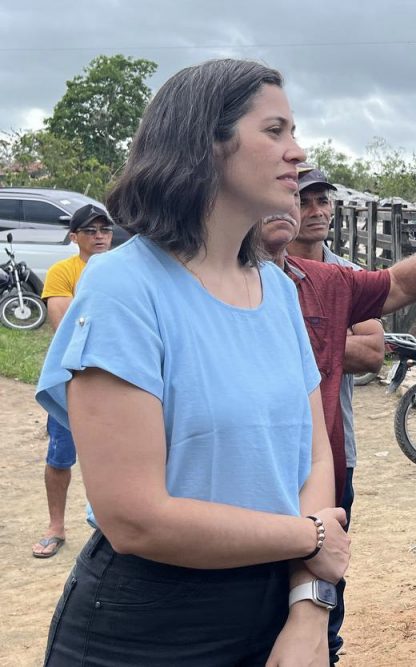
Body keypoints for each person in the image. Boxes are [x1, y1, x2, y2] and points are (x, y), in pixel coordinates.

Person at [35, 59, 356, 666]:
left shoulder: (279, 289)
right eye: (276, 131)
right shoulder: (123, 288)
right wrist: (313, 537)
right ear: (206, 142)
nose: (298, 152)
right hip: (151, 629)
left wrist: (310, 608)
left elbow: (314, 455)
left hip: (283, 610)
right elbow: (136, 518)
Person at [285, 164, 387, 661]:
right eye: (306, 200)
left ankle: (327, 650)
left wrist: (300, 338)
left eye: (323, 201)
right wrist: (331, 338)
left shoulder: (346, 273)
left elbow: (373, 352)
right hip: (278, 445)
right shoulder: (262, 266)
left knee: (328, 559)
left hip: (334, 442)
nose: (317, 210)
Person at [32, 204, 113, 559]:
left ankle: (111, 523)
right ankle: (55, 526)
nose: (99, 236)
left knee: (118, 454)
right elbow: (63, 323)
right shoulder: (63, 272)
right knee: (60, 455)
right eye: (91, 231)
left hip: (118, 380)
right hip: (74, 379)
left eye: (104, 230)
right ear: (74, 236)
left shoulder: (120, 268)